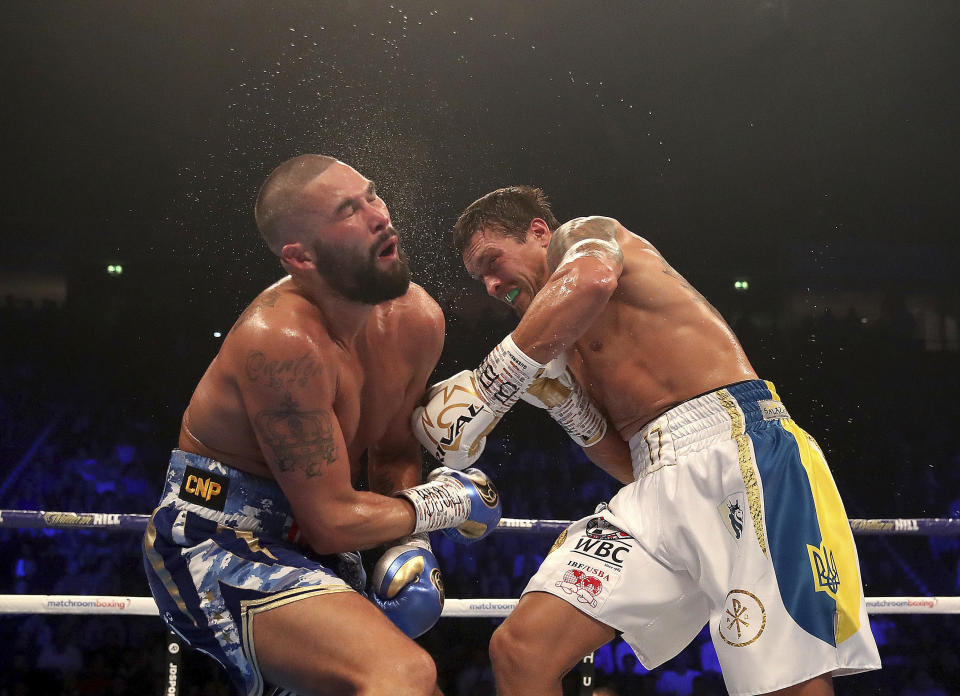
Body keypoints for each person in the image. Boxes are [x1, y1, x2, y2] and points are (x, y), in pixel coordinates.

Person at [413, 186, 881, 695]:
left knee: (786, 686)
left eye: (491, 261)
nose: (488, 284)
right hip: (653, 483)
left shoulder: (586, 235)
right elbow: (623, 458)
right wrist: (563, 401)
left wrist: (491, 384)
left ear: (538, 233)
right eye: (478, 276)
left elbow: (590, 278)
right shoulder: (554, 349)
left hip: (741, 449)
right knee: (521, 650)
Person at [142, 155, 502, 696]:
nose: (379, 215)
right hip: (218, 538)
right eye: (348, 211)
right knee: (400, 673)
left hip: (322, 540)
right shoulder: (283, 341)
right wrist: (444, 503)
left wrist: (412, 544)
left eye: (372, 195)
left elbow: (392, 451)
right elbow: (332, 518)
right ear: (300, 256)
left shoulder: (417, 321)